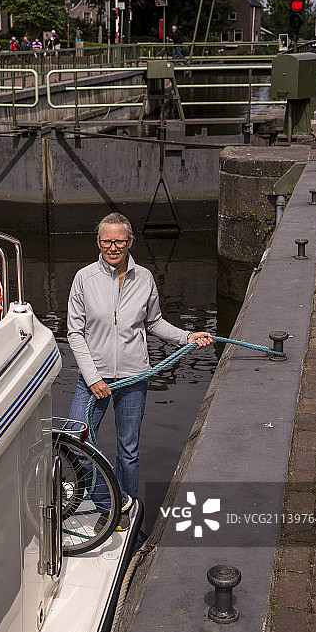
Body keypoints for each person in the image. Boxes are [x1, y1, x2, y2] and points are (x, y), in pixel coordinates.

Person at [67, 212, 213, 531]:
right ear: (98, 243)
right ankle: (110, 502)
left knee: (128, 450)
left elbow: (155, 322)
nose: (113, 247)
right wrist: (92, 378)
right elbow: (75, 333)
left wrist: (186, 336)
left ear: (130, 242)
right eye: (107, 241)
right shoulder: (84, 278)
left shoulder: (144, 278)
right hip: (95, 377)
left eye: (119, 240)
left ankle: (124, 512)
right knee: (76, 441)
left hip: (134, 377)